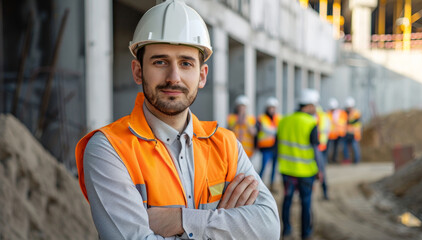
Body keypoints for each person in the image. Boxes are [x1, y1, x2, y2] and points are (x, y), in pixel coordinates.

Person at [75, 1, 280, 239]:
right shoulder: (109, 149)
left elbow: (269, 228)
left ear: (202, 75)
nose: (174, 77)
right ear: (138, 71)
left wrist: (181, 219)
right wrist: (226, 227)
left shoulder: (226, 146)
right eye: (160, 62)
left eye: (186, 63)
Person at [277, 88, 323, 240]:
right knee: (305, 203)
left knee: (287, 201)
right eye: (314, 106)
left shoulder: (284, 120)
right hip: (305, 172)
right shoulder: (311, 123)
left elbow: (278, 144)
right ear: (309, 106)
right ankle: (306, 234)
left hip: (287, 170)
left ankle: (286, 231)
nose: (315, 109)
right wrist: (320, 170)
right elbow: (316, 151)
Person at [256, 97, 280, 191]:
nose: (272, 110)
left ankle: (272, 185)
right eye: (270, 108)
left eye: (273, 108)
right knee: (263, 168)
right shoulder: (262, 118)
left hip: (276, 147)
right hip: (266, 147)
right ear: (267, 108)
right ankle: (258, 187)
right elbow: (266, 129)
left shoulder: (278, 118)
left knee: (274, 168)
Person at [326, 97, 347, 163]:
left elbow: (343, 122)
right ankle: (327, 159)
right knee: (328, 148)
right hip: (329, 134)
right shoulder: (328, 113)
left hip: (338, 134)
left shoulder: (341, 113)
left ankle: (334, 159)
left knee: (336, 148)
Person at [316, 106, 331, 200]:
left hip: (317, 148)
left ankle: (325, 192)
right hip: (321, 147)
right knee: (322, 172)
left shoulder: (318, 117)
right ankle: (325, 193)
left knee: (321, 172)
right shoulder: (324, 116)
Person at [343, 96, 362, 164]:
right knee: (345, 146)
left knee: (355, 147)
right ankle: (347, 159)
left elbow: (355, 121)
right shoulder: (345, 113)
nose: (348, 109)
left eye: (349, 107)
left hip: (355, 133)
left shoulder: (356, 112)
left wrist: (348, 121)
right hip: (347, 133)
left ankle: (357, 160)